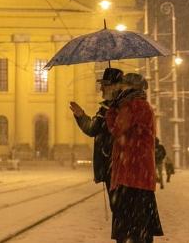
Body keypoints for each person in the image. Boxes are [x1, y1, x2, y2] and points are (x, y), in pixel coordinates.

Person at [106, 72, 164, 243]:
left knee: (130, 231)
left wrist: (111, 111)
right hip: (139, 177)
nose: (119, 88)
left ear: (130, 87)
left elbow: (116, 130)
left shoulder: (133, 105)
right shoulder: (141, 105)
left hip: (130, 177)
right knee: (140, 230)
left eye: (122, 85)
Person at [70, 67, 124, 199]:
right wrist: (81, 115)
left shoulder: (122, 107)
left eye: (104, 85)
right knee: (118, 209)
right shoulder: (105, 108)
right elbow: (92, 129)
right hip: (110, 166)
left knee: (120, 209)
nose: (101, 89)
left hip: (117, 165)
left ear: (115, 86)